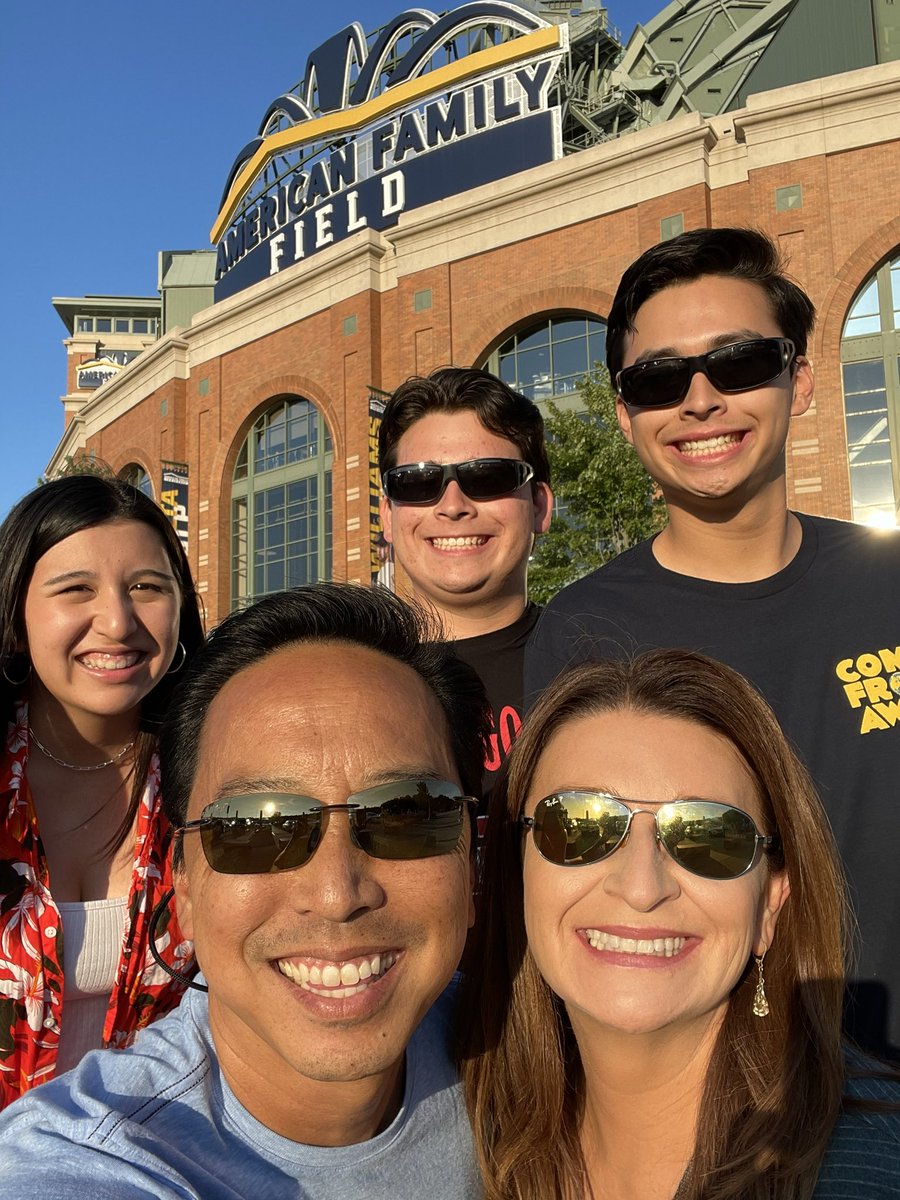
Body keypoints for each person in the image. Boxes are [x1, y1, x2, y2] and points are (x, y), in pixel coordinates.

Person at [525, 227, 900, 1057]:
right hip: (716, 1099)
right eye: (659, 380)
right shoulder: (583, 631)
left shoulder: (890, 582)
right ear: (626, 417)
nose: (700, 400)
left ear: (798, 380)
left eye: (739, 365)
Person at [0, 584, 489, 1198]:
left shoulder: (532, 1062)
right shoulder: (85, 1159)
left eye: (407, 814)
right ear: (182, 887)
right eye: (254, 827)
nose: (338, 893)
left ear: (472, 860)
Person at [459, 649, 900, 1200]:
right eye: (578, 825)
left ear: (770, 904)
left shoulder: (868, 1170)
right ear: (515, 872)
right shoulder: (470, 1127)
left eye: (708, 835)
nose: (642, 887)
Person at [0, 475, 204, 1107]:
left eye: (146, 587)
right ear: (16, 609)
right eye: (76, 589)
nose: (117, 622)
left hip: (161, 1153)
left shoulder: (211, 778)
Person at [380, 367, 553, 804]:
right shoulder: (345, 681)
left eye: (488, 477)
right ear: (387, 515)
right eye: (418, 482)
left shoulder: (605, 662)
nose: (453, 505)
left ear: (540, 507)